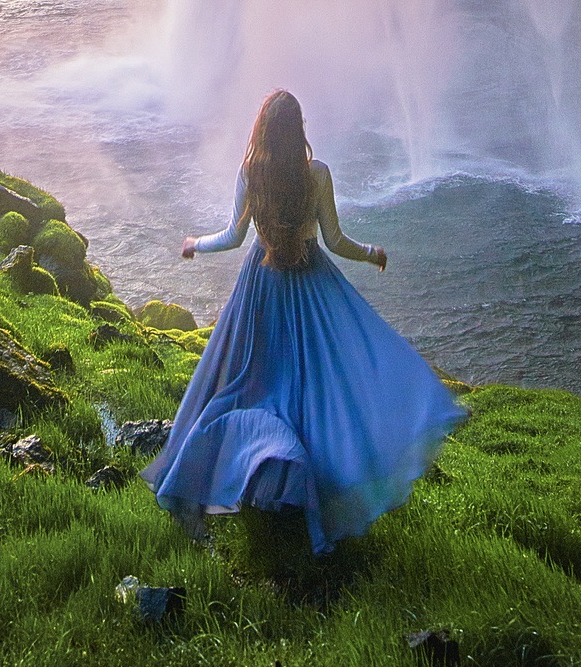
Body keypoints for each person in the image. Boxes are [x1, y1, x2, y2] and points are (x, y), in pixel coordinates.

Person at [145, 88, 466, 553]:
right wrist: (372, 253)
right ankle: (308, 476)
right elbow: (335, 240)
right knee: (319, 383)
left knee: (247, 382)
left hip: (261, 288)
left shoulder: (251, 173)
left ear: (261, 129)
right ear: (299, 131)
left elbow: (234, 236)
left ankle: (254, 468)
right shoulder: (317, 174)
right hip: (311, 284)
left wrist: (196, 242)